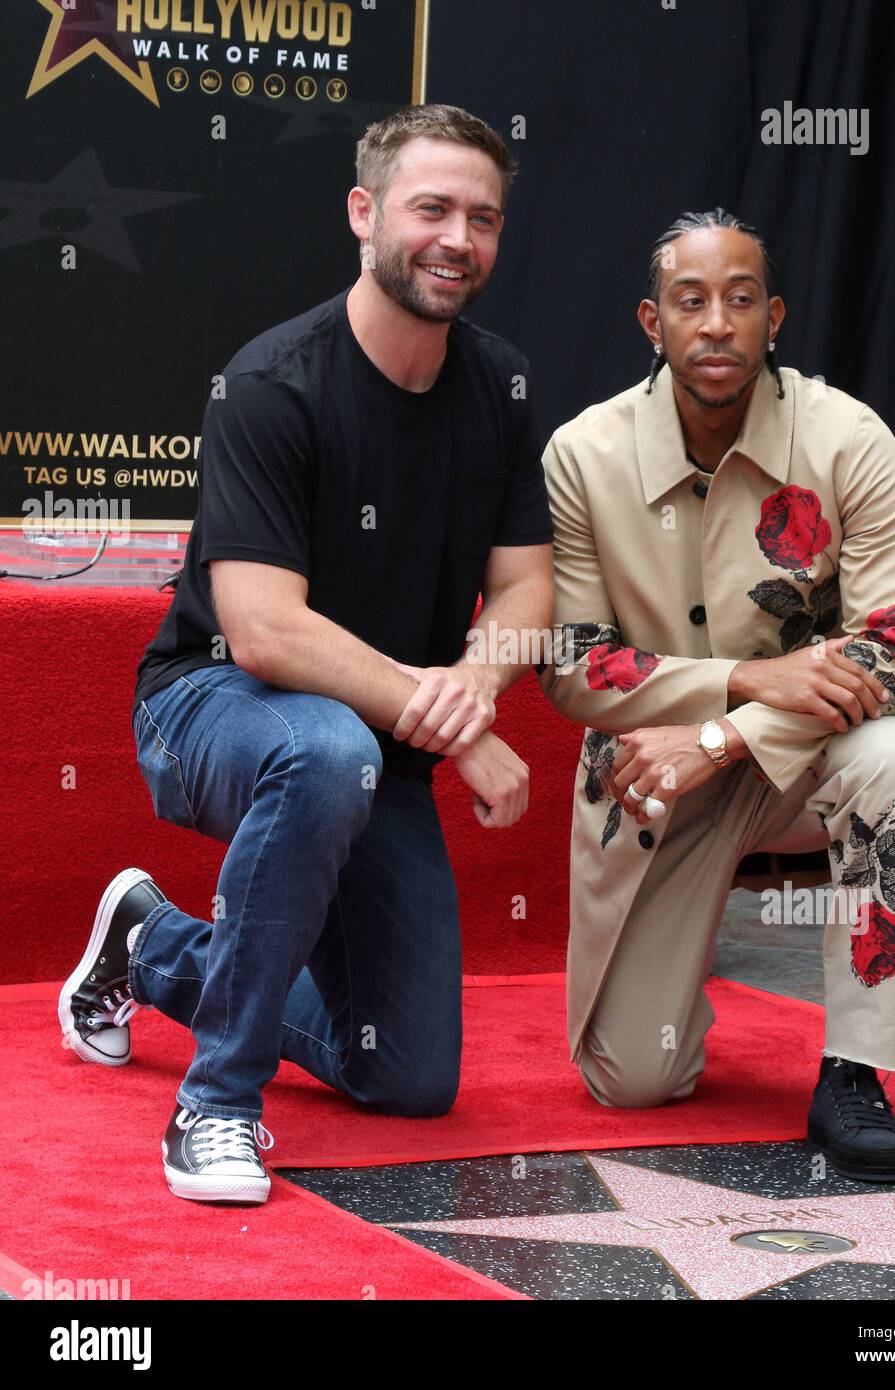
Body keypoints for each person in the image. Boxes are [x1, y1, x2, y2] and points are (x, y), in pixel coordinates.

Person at [57, 104, 555, 1205]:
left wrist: (471, 694)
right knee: (327, 750)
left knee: (407, 1072)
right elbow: (263, 629)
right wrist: (458, 731)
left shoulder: (501, 387)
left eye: (482, 217)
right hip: (210, 706)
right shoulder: (273, 383)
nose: (456, 238)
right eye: (431, 208)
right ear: (363, 212)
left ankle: (151, 950)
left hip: (385, 733)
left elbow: (527, 584)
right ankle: (216, 1105)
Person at [537, 208, 895, 1183]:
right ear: (651, 321)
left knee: (894, 759)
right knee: (630, 1078)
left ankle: (854, 1069)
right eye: (689, 301)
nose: (715, 323)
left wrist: (721, 732)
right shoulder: (581, 457)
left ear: (774, 319)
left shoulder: (847, 438)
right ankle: (672, 965)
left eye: (739, 299)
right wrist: (740, 678)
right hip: (649, 774)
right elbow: (574, 667)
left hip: (800, 763)